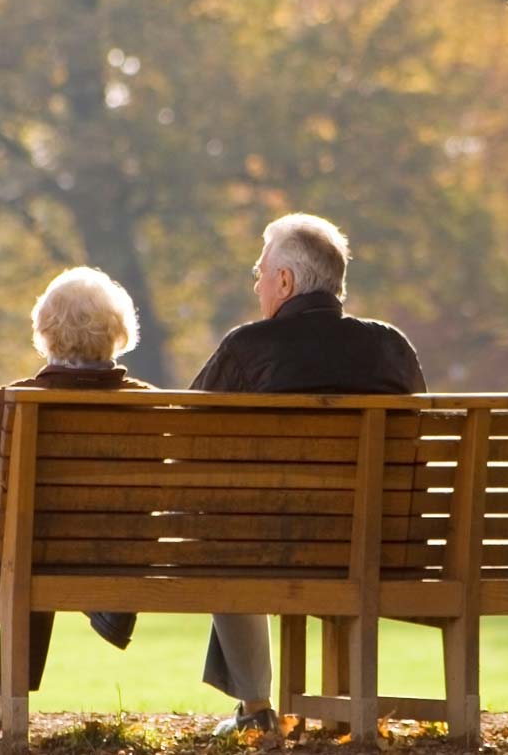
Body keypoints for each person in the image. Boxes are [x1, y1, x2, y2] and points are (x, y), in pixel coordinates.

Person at [190, 213, 428, 733]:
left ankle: (256, 709)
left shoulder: (246, 348)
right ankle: (274, 705)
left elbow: (184, 438)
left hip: (269, 549)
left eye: (260, 272)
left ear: (285, 281)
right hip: (388, 546)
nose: (256, 284)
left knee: (218, 525)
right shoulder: (391, 346)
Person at [0, 266, 153, 697]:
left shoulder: (17, 400)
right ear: (118, 331)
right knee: (39, 534)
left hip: (29, 551)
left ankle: (10, 692)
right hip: (116, 554)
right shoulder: (146, 404)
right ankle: (104, 601)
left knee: (22, 539)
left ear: (46, 332)